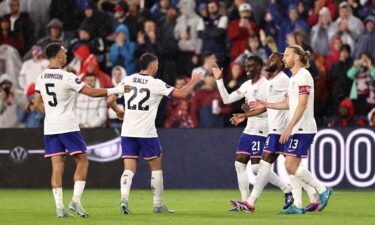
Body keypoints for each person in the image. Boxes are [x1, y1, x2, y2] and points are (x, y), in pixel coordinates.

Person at [32, 42, 129, 218]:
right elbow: (91, 93)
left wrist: (53, 113)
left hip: (50, 127)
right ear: (57, 56)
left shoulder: (41, 77)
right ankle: (75, 202)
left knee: (56, 168)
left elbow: (37, 104)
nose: (66, 56)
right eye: (64, 53)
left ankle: (60, 209)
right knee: (83, 161)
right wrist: (118, 89)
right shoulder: (67, 77)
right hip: (67, 126)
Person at [107, 53, 203, 215]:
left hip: (128, 131)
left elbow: (110, 100)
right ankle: (158, 205)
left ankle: (124, 199)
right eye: (156, 64)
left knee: (129, 167)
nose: (157, 67)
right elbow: (181, 94)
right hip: (146, 132)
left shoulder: (128, 79)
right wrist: (194, 80)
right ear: (152, 65)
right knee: (156, 166)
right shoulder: (155, 83)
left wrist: (119, 111)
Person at [228, 53, 320, 213]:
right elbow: (270, 105)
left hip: (281, 129)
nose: (268, 61)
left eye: (273, 59)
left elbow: (290, 102)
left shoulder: (284, 79)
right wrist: (246, 114)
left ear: (280, 64)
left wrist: (288, 126)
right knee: (288, 167)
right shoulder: (274, 81)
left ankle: (251, 202)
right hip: (276, 129)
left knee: (268, 166)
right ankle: (312, 196)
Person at [250, 45, 332, 214]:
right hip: (297, 128)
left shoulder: (304, 76)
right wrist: (266, 104)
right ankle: (298, 206)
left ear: (296, 58)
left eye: (287, 55)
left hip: (303, 127)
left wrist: (289, 127)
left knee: (290, 164)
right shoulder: (294, 77)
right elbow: (287, 104)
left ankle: (322, 190)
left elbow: (302, 104)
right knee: (291, 166)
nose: (284, 58)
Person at [211, 55, 293, 211]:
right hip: (249, 129)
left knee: (256, 169)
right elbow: (227, 99)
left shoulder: (266, 85)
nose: (247, 69)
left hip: (263, 129)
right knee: (239, 164)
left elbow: (266, 107)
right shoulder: (247, 85)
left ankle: (286, 189)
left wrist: (245, 115)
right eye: (246, 66)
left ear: (259, 67)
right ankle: (244, 202)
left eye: (251, 66)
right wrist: (219, 80)